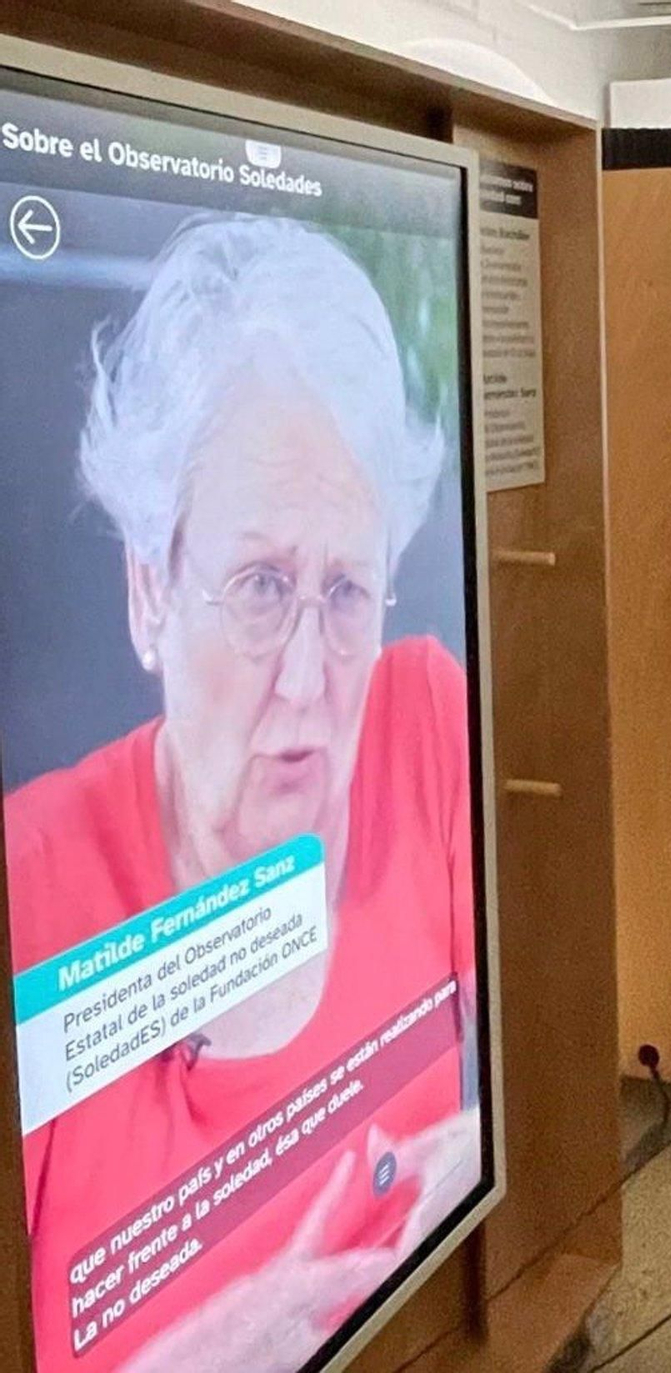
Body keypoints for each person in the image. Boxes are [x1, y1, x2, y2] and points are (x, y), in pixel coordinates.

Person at [3, 216, 480, 1373]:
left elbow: (539, 1054)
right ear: (147, 595)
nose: (313, 679)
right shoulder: (31, 878)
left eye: (347, 590)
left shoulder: (420, 717)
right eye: (262, 586)